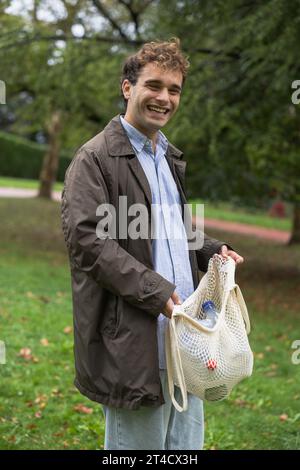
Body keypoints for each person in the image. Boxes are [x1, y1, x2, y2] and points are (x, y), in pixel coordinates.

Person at [61, 38, 243, 451]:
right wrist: (156, 292)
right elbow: (88, 242)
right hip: (134, 340)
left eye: (174, 89)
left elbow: (169, 229)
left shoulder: (167, 157)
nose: (164, 98)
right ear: (128, 88)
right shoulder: (94, 159)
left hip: (186, 338)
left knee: (184, 448)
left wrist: (213, 250)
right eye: (154, 85)